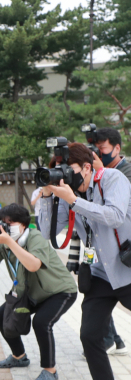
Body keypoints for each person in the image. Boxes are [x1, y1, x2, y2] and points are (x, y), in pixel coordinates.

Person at [39, 142, 131, 380]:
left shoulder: (113, 178)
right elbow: (46, 233)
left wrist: (74, 201)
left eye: (70, 171)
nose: (64, 177)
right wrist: (46, 195)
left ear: (88, 167)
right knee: (90, 335)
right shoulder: (69, 195)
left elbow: (115, 216)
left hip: (127, 269)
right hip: (101, 274)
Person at [0, 204, 77, 380]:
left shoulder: (34, 237)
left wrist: (9, 242)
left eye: (11, 223)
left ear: (24, 224)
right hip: (31, 294)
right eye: (3, 223)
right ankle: (19, 357)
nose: (7, 227)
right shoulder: (3, 242)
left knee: (41, 322)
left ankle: (50, 370)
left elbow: (33, 265)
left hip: (60, 291)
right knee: (1, 315)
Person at [92, 127, 129, 356]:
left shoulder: (126, 172)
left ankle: (110, 338)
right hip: (105, 252)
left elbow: (113, 211)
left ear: (117, 148)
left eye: (103, 149)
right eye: (95, 150)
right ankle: (108, 339)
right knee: (99, 297)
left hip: (126, 250)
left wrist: (101, 175)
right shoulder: (99, 173)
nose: (99, 154)